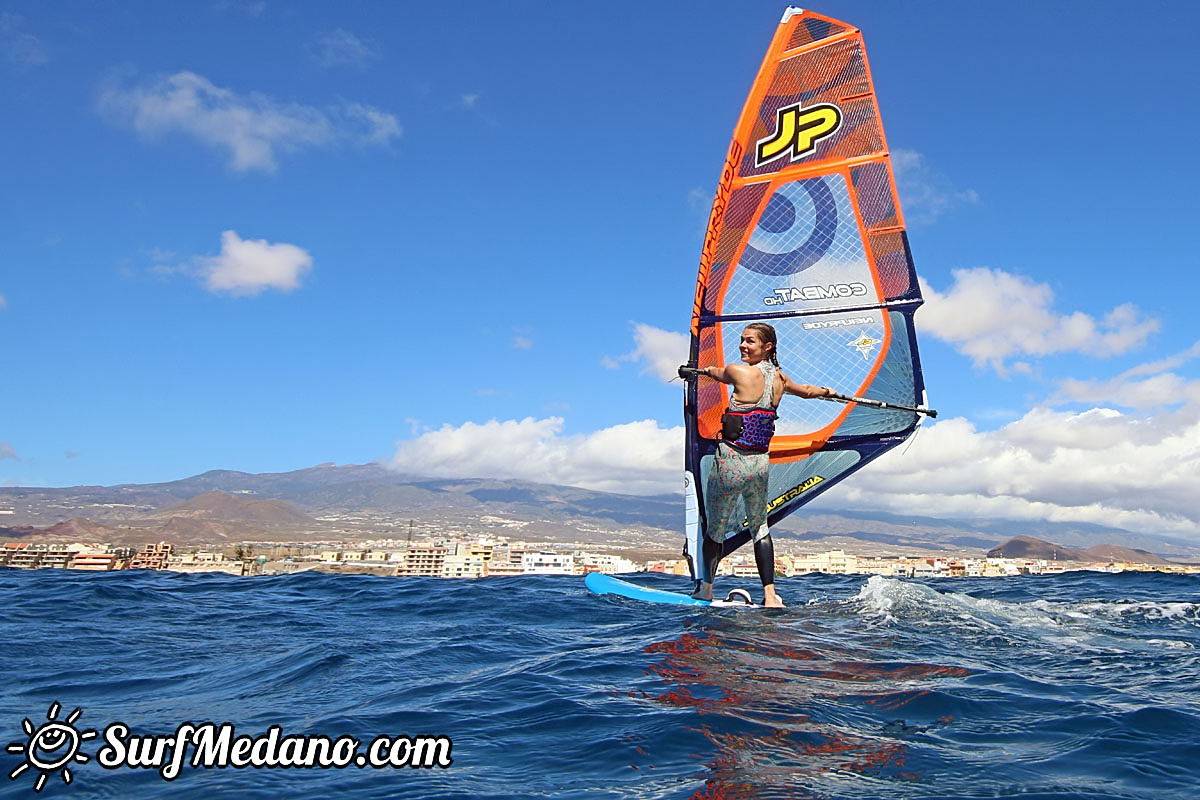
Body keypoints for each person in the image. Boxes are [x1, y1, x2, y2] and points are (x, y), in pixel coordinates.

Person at [688, 323, 836, 607]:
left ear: (767, 346)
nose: (743, 345)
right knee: (760, 528)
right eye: (742, 341)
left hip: (731, 462)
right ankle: (770, 595)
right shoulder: (779, 378)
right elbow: (805, 391)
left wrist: (699, 371)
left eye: (750, 342)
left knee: (715, 530)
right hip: (759, 465)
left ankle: (706, 589)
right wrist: (827, 391)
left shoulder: (738, 370)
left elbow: (717, 373)